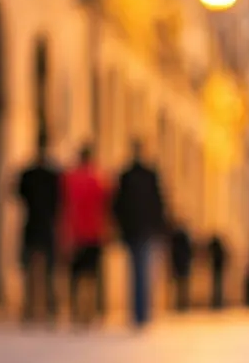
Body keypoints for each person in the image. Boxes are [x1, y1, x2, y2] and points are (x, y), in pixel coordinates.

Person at [111, 139, 167, 329]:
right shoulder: (149, 175)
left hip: (132, 229)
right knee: (143, 269)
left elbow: (118, 204)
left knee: (136, 269)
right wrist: (159, 227)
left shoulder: (126, 176)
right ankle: (142, 312)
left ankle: (138, 312)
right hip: (145, 229)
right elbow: (158, 203)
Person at [61, 144, 109, 327]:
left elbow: (64, 206)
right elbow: (105, 206)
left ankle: (76, 311)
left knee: (75, 276)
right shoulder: (99, 179)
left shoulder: (70, 179)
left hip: (75, 233)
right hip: (94, 233)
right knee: (92, 275)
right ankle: (90, 310)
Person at [15, 136, 62, 323]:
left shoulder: (29, 174)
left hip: (34, 224)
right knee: (47, 270)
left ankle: (32, 308)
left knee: (32, 269)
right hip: (45, 225)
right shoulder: (52, 176)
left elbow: (19, 194)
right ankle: (48, 308)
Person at [169, 223, 193, 312]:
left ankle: (180, 303)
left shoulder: (175, 241)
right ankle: (183, 303)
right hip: (184, 265)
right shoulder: (185, 241)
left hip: (178, 265)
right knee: (183, 285)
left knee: (180, 285)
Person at [207, 235, 228, 310]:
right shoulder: (219, 249)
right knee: (218, 285)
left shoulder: (217, 249)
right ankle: (217, 301)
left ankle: (217, 301)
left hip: (217, 268)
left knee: (217, 285)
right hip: (218, 268)